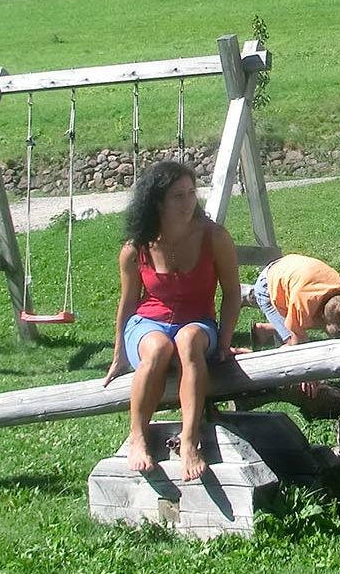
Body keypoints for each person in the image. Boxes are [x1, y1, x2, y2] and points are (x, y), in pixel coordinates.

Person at [103, 160, 244, 481]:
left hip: (197, 322)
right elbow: (127, 305)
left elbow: (232, 293)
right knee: (157, 349)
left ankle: (190, 440)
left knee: (187, 341)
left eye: (192, 193)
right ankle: (138, 437)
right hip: (147, 323)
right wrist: (118, 356)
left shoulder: (215, 236)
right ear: (157, 201)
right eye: (178, 196)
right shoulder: (135, 248)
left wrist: (224, 342)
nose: (188, 202)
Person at [248, 254, 340, 349]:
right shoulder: (302, 305)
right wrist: (308, 375)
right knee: (291, 341)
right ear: (322, 316)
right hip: (267, 287)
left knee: (309, 321)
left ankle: (264, 331)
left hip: (291, 269)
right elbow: (298, 343)